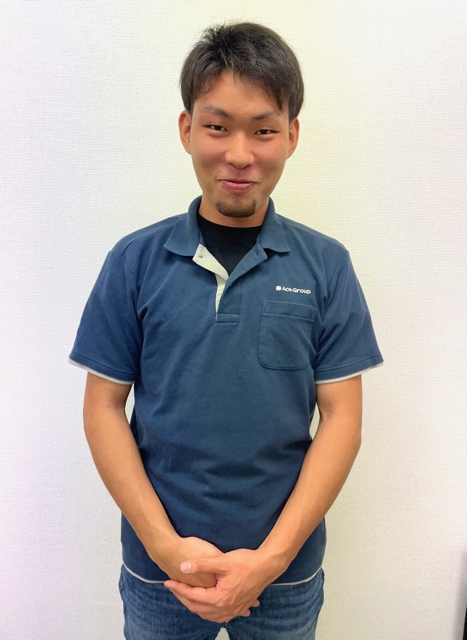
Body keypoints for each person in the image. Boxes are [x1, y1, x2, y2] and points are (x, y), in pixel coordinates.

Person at [69, 21, 383, 640]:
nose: (240, 154)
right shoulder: (134, 261)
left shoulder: (326, 264)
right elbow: (103, 407)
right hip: (160, 575)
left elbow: (342, 417)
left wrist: (270, 561)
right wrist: (168, 549)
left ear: (291, 136)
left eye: (263, 130)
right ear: (187, 129)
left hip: (285, 576)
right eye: (218, 127)